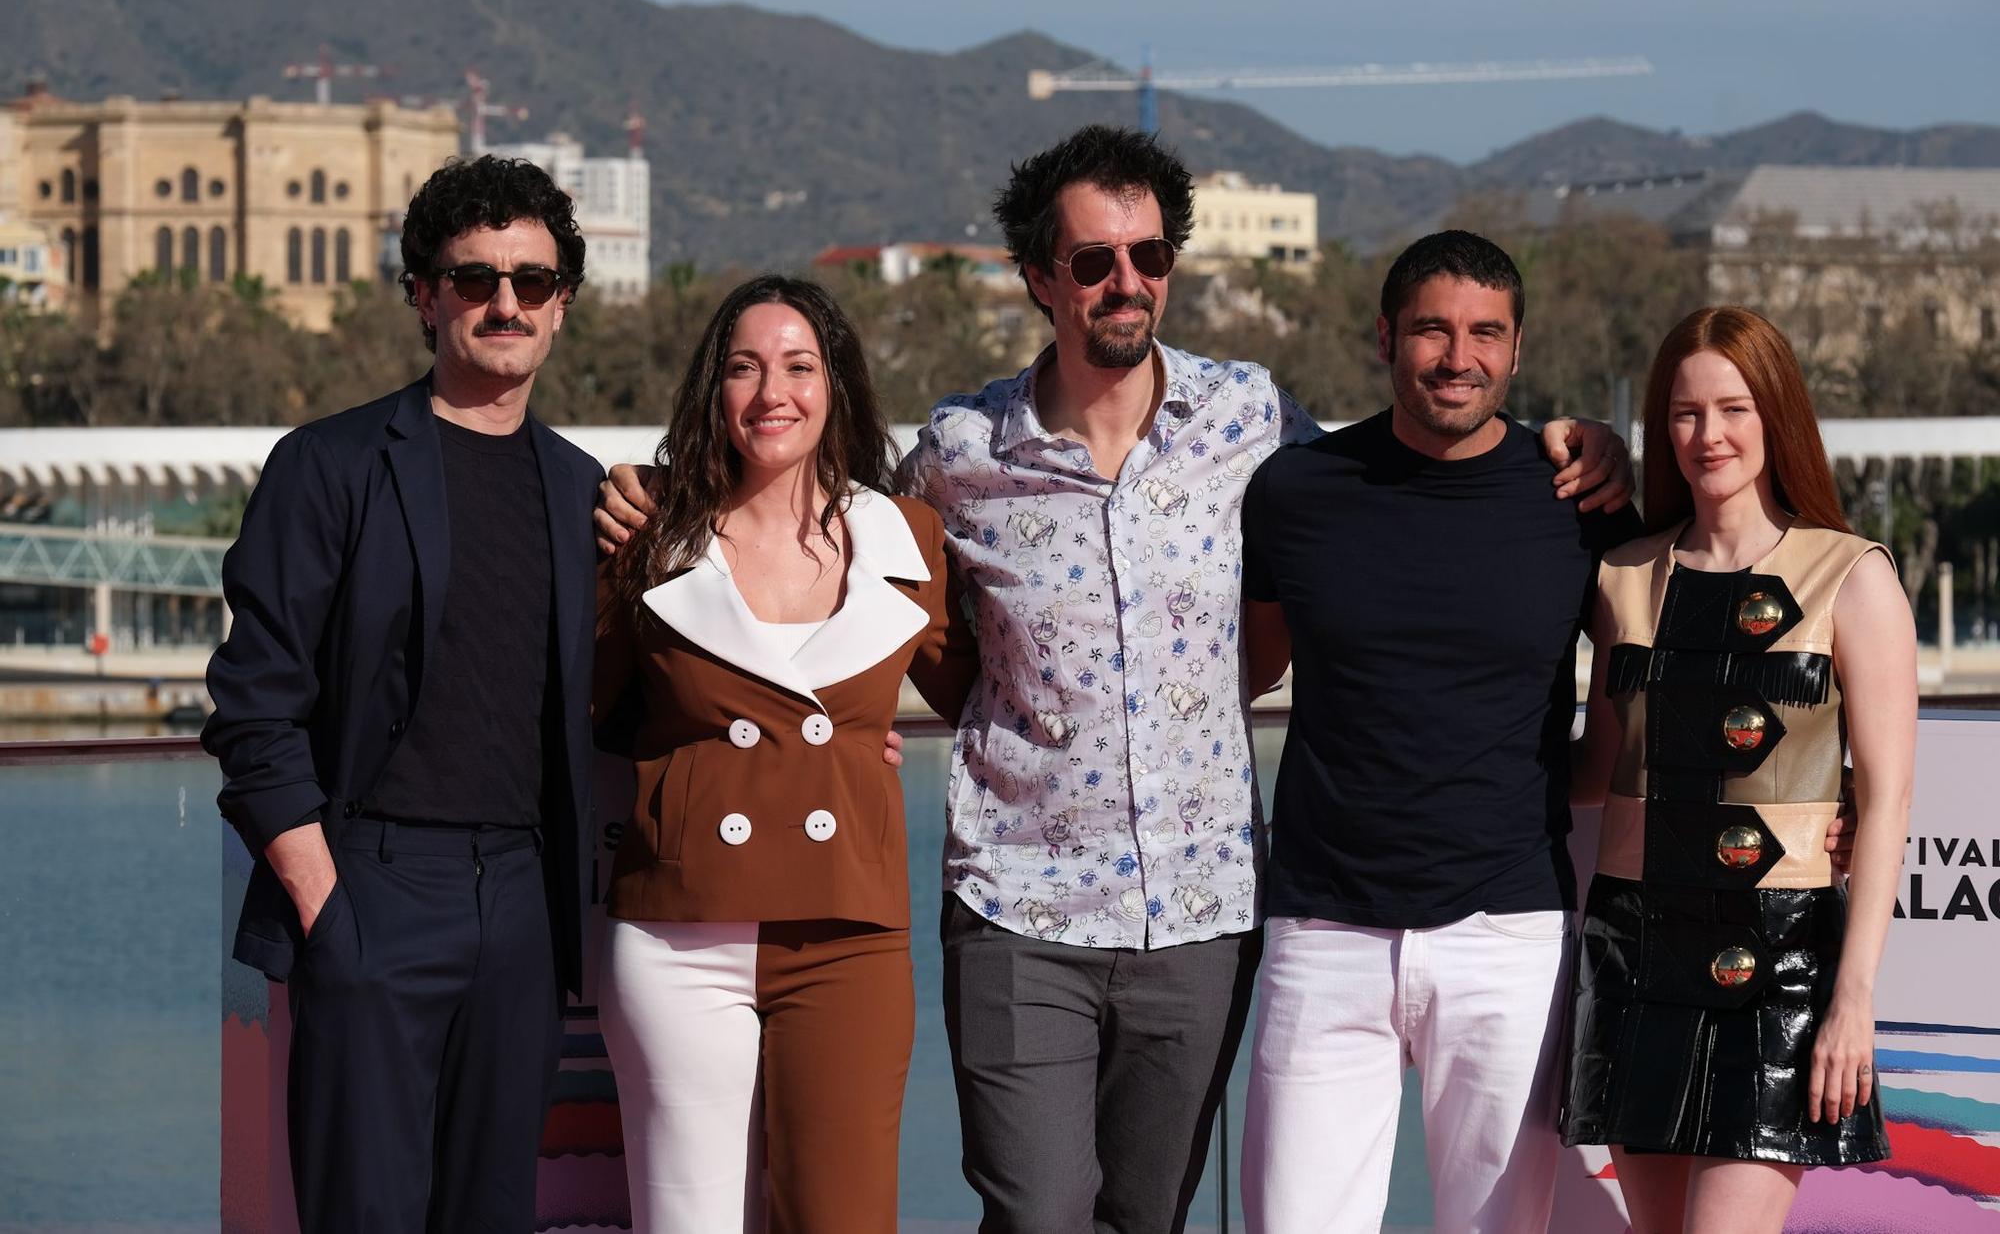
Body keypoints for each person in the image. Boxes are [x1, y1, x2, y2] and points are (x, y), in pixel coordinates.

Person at [599, 128, 1629, 1233]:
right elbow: (818, 527)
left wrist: (1575, 445)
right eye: (1091, 260)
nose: (1124, 281)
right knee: (1037, 1213)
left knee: (1148, 1217)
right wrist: (668, 502)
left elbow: (1394, 482)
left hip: (1198, 908)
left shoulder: (1249, 421)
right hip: (1013, 901)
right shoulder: (958, 449)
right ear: (1039, 277)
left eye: (1147, 256)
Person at [204, 155, 600, 1232]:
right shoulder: (328, 466)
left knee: (492, 1211)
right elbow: (252, 703)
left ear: (563, 302)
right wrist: (327, 901)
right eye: (474, 279)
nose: (504, 302)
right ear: (425, 296)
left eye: (531, 279)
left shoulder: (581, 492)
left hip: (522, 903)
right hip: (373, 883)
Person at [1236, 230, 1647, 1233]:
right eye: (1430, 328)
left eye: (1483, 333)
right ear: (1383, 337)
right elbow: (1236, 676)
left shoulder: (1578, 503)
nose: (1456, 356)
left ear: (1514, 348)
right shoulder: (1291, 493)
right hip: (1321, 926)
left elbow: (1658, 666)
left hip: (1507, 933)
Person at [591, 274, 974, 1233]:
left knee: (842, 1217)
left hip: (848, 929)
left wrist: (843, 748)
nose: (774, 393)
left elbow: (979, 695)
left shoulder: (905, 536)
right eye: (744, 368)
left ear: (835, 384)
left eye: (800, 366)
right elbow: (592, 710)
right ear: (710, 392)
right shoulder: (644, 537)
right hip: (680, 928)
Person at [1561, 306, 1912, 1233]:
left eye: (1734, 407)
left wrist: (1854, 1001)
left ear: (1777, 414)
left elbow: (1885, 803)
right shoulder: (1620, 575)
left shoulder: (1853, 576)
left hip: (1781, 967)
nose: (1708, 435)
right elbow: (1601, 770)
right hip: (1633, 957)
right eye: (1684, 412)